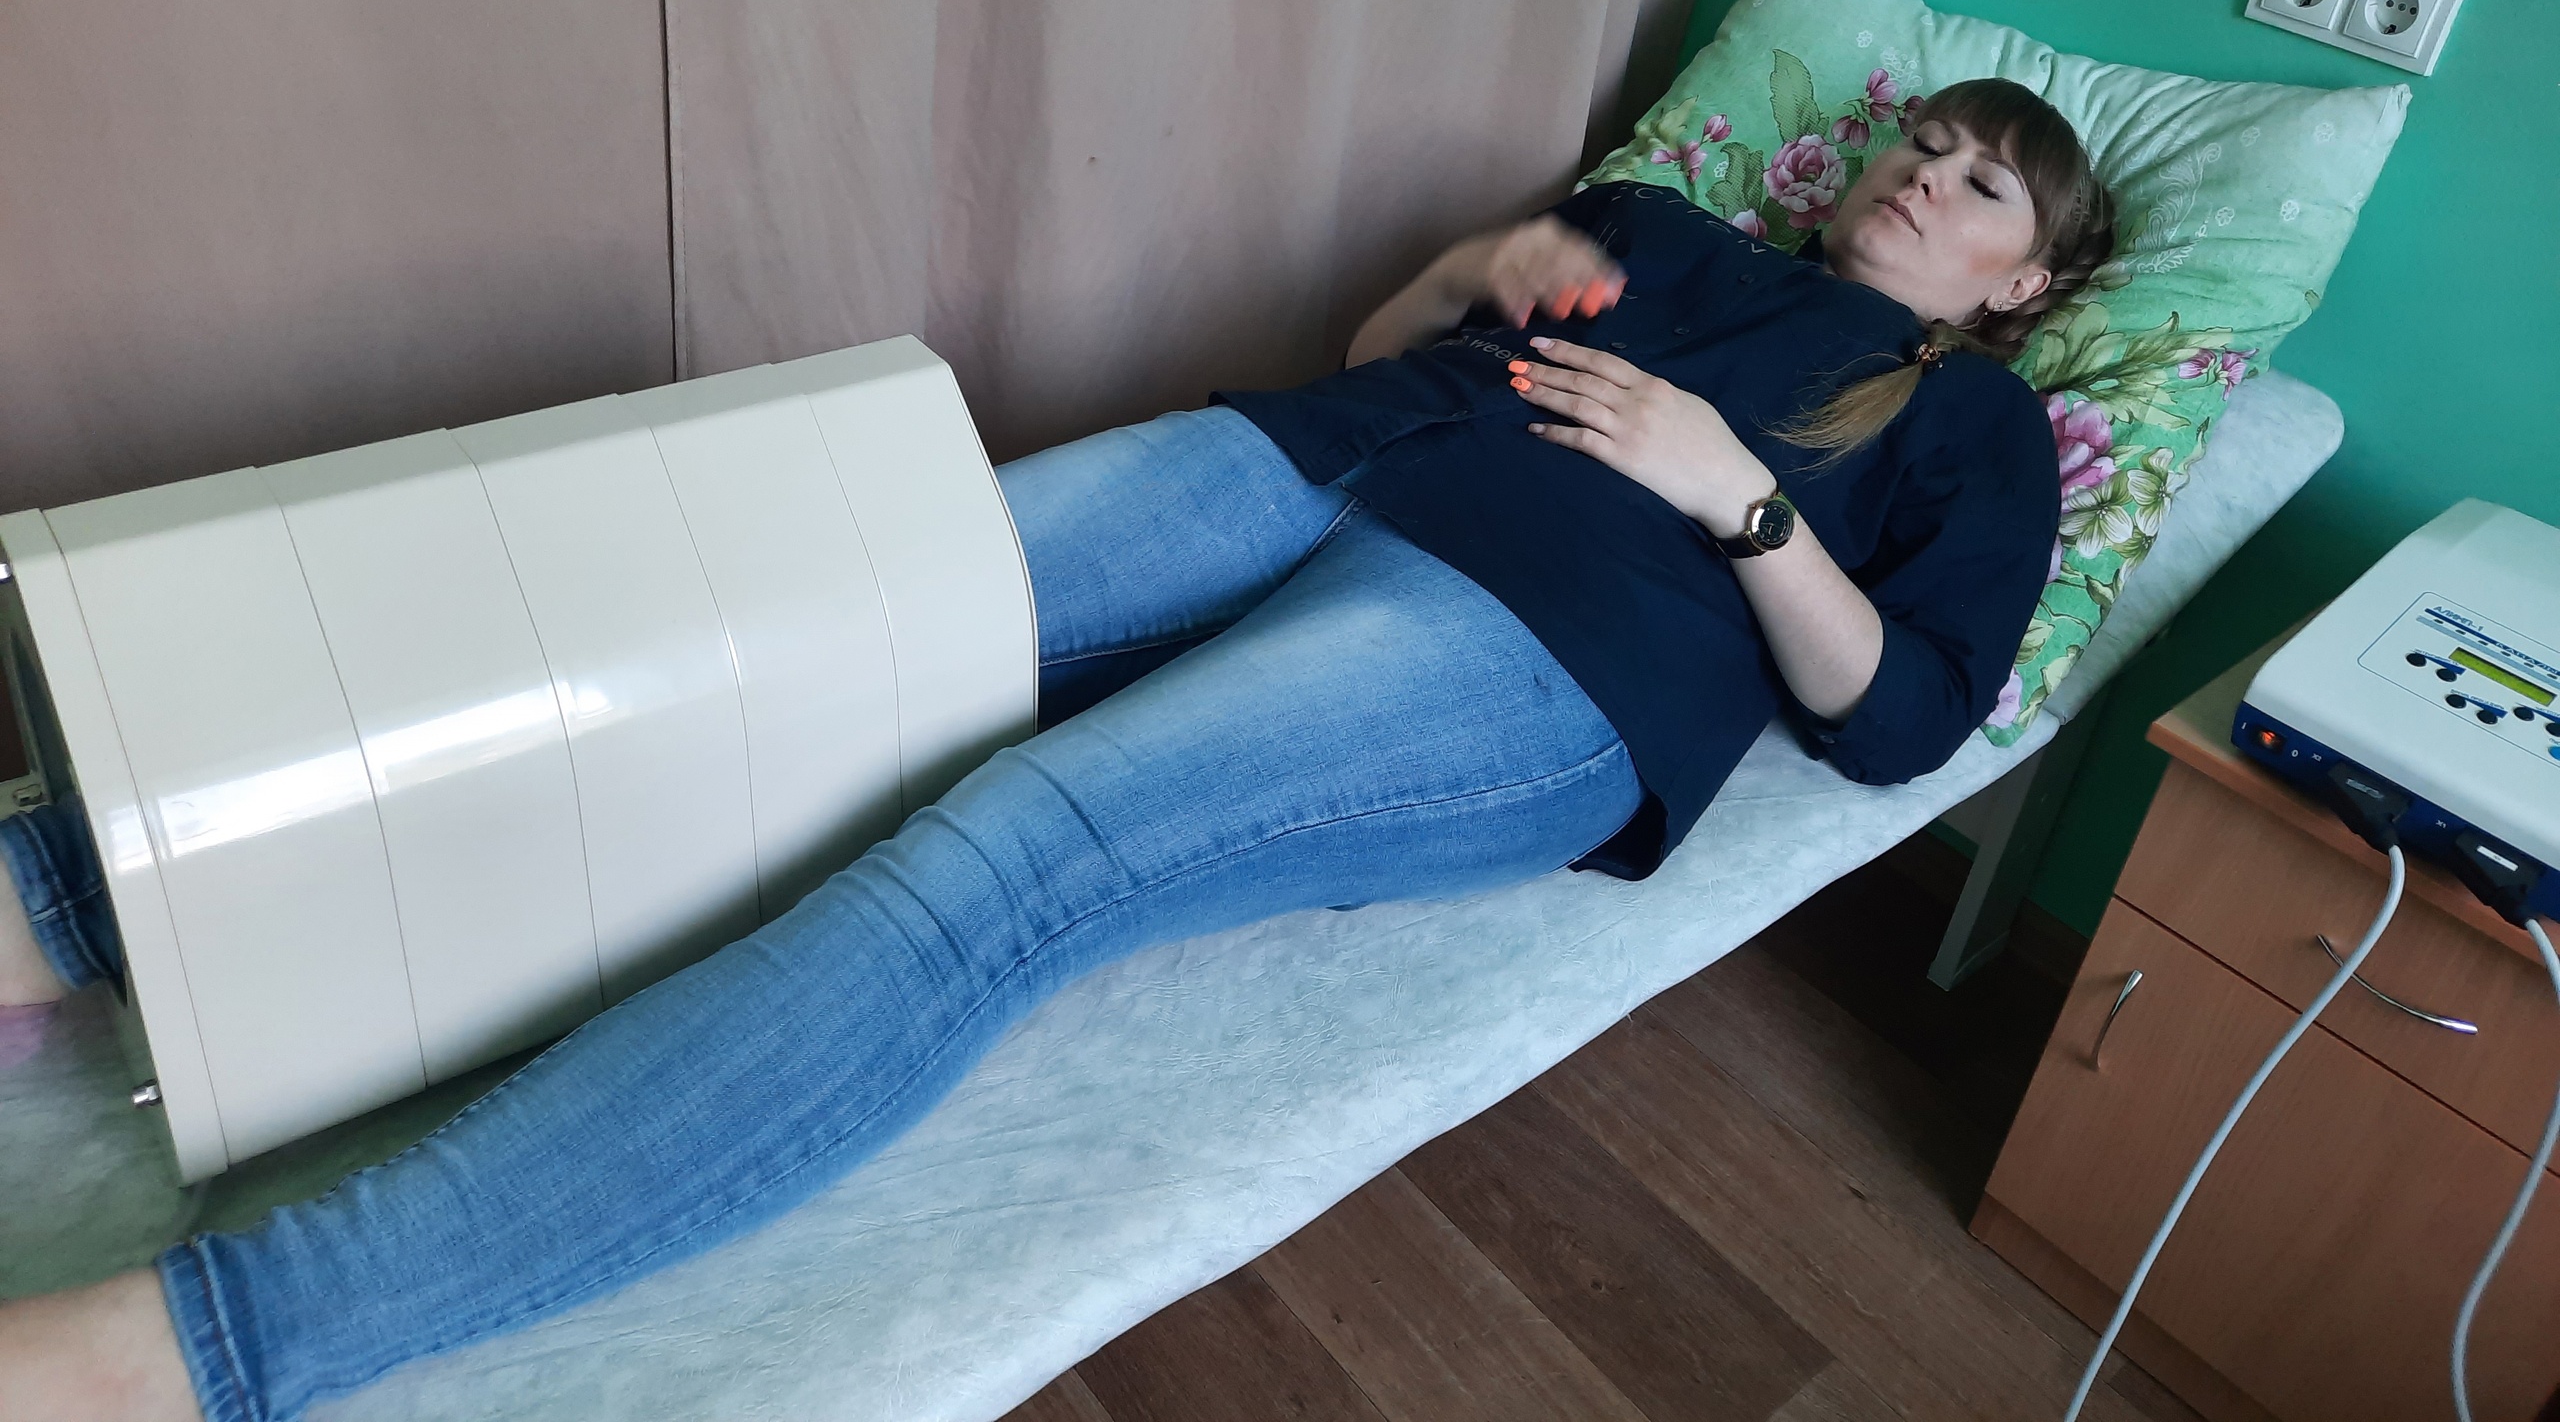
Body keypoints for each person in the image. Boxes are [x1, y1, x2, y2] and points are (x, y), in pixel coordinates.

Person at [0, 77, 2113, 1422]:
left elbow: (1897, 724)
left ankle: (198, 1350)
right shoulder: (1657, 226)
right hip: (1312, 457)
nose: (1926, 181)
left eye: (1983, 188)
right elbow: (1380, 352)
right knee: (733, 634)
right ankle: (56, 911)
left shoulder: (1971, 424)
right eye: (1922, 145)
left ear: (2024, 287)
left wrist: (1732, 492)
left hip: (1546, 645)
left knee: (1000, 861)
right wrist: (1472, 268)